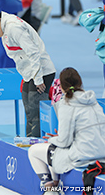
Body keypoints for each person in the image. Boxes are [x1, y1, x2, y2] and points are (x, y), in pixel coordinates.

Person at [0, 12, 56, 137]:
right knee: (29, 112)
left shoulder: (14, 28)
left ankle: (38, 147)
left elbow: (33, 53)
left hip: (42, 72)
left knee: (36, 114)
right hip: (30, 74)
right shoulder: (4, 30)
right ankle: (29, 144)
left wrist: (38, 79)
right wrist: (26, 77)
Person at [28, 67, 105, 195]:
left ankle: (50, 190)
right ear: (80, 83)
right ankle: (57, 185)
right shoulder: (94, 102)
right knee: (54, 149)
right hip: (102, 154)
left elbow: (64, 141)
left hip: (83, 157)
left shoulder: (66, 105)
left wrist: (53, 139)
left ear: (62, 87)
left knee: (34, 151)